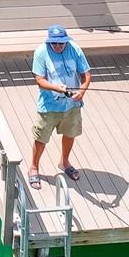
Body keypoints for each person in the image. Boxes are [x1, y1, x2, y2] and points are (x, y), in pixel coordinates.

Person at [29, 24, 90, 187]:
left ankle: (65, 162)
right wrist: (56, 87)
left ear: (66, 41)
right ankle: (34, 168)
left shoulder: (75, 49)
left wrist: (82, 92)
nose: (57, 46)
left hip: (72, 105)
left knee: (70, 134)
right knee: (41, 138)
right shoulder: (41, 52)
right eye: (53, 43)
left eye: (60, 43)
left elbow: (86, 75)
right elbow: (39, 80)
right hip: (49, 106)